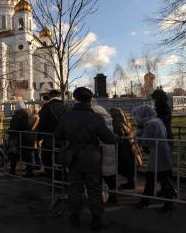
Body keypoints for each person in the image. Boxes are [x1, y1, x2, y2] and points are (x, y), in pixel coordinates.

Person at [55, 87, 116, 230]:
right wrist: (118, 138)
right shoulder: (96, 117)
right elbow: (108, 138)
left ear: (75, 99)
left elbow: (57, 135)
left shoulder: (68, 116)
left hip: (73, 157)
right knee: (94, 188)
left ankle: (74, 217)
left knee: (74, 188)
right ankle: (96, 219)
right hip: (92, 158)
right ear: (90, 100)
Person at [132, 105, 175, 212]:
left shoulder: (150, 124)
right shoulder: (156, 121)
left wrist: (138, 136)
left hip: (158, 154)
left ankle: (154, 202)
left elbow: (146, 141)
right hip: (161, 152)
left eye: (137, 116)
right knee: (159, 178)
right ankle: (150, 201)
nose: (136, 119)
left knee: (155, 178)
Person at [37, 89, 67, 178]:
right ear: (59, 96)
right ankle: (62, 176)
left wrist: (38, 136)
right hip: (62, 138)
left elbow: (42, 123)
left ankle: (53, 176)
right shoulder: (65, 106)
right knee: (59, 158)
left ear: (50, 96)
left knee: (46, 157)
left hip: (49, 138)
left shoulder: (47, 106)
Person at [92, 103, 117, 204]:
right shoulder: (108, 121)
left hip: (101, 150)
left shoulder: (99, 122)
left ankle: (104, 196)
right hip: (109, 150)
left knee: (102, 176)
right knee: (110, 176)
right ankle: (112, 195)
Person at [110, 107, 136, 189]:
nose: (110, 113)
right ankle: (131, 182)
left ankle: (130, 183)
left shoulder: (116, 121)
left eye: (111, 112)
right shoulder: (124, 120)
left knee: (123, 165)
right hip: (127, 146)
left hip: (122, 147)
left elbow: (119, 133)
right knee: (127, 165)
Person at [8, 102, 29, 175]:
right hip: (21, 136)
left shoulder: (16, 116)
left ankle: (12, 170)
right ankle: (29, 171)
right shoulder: (24, 115)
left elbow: (15, 126)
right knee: (25, 154)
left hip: (16, 137)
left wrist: (10, 130)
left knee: (14, 154)